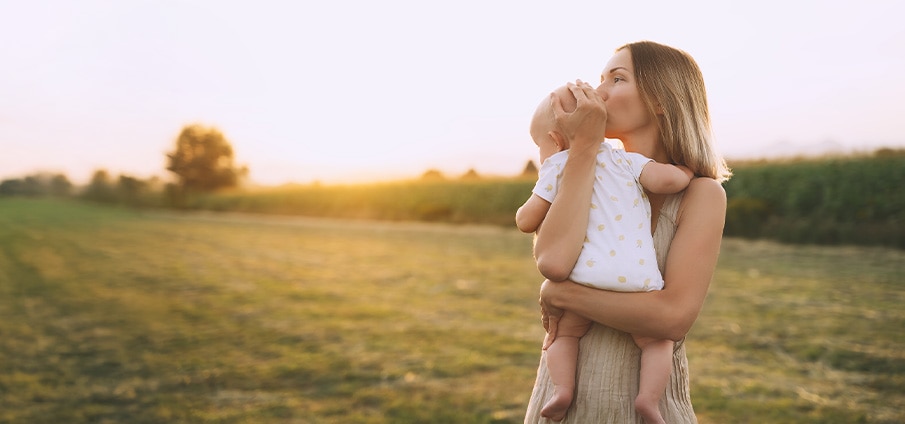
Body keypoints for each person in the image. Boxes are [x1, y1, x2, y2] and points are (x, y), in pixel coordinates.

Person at [523, 41, 732, 423]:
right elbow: (552, 260)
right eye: (601, 78)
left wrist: (561, 293)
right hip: (560, 409)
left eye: (616, 79)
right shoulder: (581, 174)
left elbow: (671, 318)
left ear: (661, 100)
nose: (599, 92)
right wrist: (584, 148)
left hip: (645, 412)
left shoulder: (701, 194)